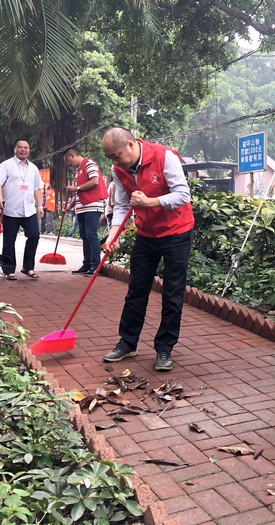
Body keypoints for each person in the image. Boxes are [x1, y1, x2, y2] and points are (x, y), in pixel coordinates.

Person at [101, 128, 194, 372]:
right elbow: (122, 205)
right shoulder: (118, 170)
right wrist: (114, 235)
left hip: (177, 232)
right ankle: (128, 342)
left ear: (131, 145)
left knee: (172, 293)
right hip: (146, 234)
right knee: (136, 290)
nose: (114, 161)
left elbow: (183, 195)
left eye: (117, 155)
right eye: (110, 157)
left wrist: (150, 202)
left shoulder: (164, 157)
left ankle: (165, 347)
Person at [0, 140, 44, 280]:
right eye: (20, 147)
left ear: (29, 150)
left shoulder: (33, 168)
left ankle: (28, 267)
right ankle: (9, 269)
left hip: (29, 210)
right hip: (10, 210)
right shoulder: (6, 165)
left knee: (34, 235)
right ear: (15, 149)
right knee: (9, 241)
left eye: (26, 147)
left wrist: (40, 206)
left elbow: (37, 188)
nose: (23, 150)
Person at [64, 148, 109, 276]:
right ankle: (87, 263)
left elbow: (95, 181)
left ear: (72, 156)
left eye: (68, 161)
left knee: (91, 235)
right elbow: (79, 193)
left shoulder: (90, 164)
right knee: (84, 236)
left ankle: (96, 265)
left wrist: (76, 188)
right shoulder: (78, 171)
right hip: (82, 207)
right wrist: (69, 206)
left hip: (92, 205)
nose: (69, 165)